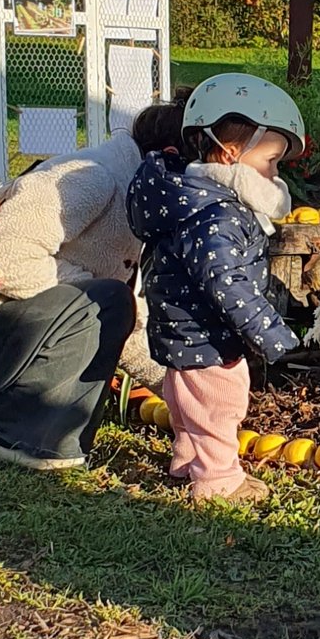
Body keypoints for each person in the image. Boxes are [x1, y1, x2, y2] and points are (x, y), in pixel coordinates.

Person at [0, 91, 189, 472]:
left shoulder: (129, 192)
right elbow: (4, 254)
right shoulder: (92, 177)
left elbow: (119, 318)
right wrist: (93, 291)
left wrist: (184, 390)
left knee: (109, 301)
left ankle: (23, 415)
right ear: (168, 155)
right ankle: (13, 434)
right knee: (108, 299)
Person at [128, 74, 304, 505]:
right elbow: (226, 281)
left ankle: (188, 461)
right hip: (205, 332)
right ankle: (219, 481)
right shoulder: (215, 213)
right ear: (230, 153)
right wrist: (271, 333)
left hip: (183, 327)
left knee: (190, 402)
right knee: (219, 405)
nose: (275, 172)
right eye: (270, 160)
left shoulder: (196, 199)